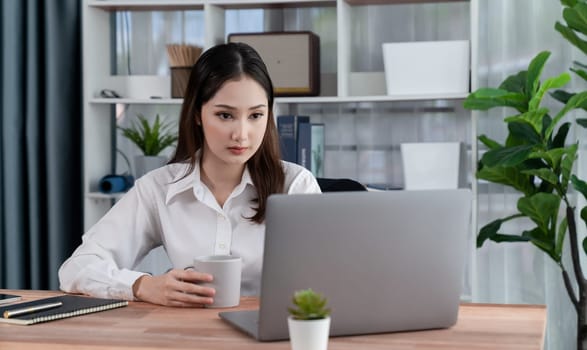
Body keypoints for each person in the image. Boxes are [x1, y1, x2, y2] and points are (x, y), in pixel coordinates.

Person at [59, 42, 321, 307]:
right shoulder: (159, 188)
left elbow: (325, 280)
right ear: (197, 114)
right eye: (225, 115)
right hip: (188, 334)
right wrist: (141, 285)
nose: (241, 134)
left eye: (255, 115)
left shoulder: (296, 185)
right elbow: (77, 268)